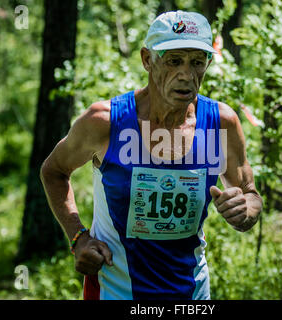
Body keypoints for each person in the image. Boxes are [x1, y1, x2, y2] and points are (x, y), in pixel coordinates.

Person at [40, 10, 263, 300]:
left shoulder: (220, 122)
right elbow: (54, 171)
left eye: (197, 62)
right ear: (147, 59)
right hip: (116, 290)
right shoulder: (106, 122)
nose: (186, 75)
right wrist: (78, 237)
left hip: (192, 292)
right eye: (174, 61)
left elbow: (250, 193)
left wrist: (245, 212)